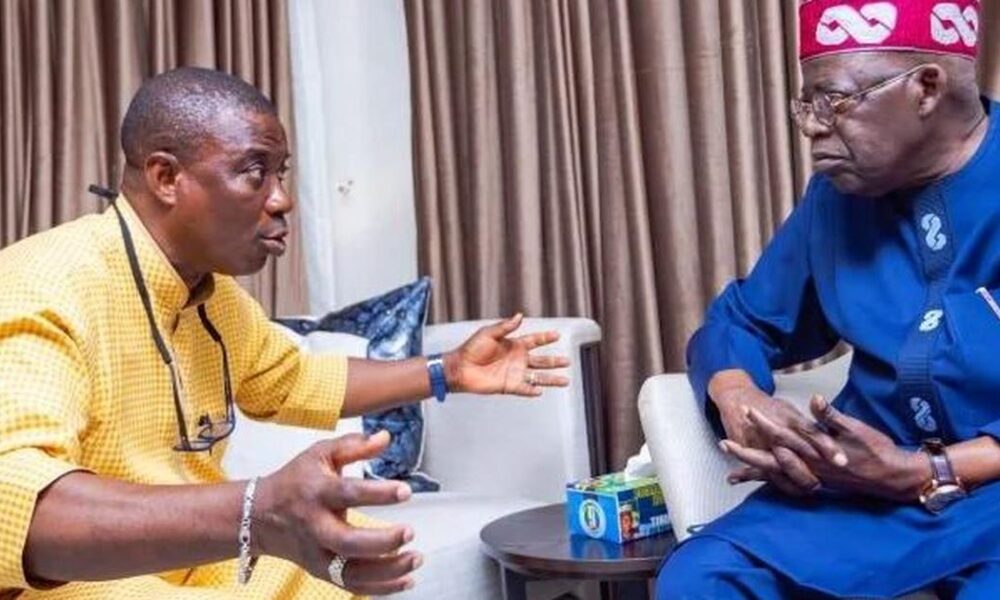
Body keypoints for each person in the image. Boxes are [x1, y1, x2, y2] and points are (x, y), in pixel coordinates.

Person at [0, 67, 571, 599]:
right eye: (255, 172)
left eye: (281, 173)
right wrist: (258, 509)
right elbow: (22, 510)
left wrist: (447, 371)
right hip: (69, 580)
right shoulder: (42, 283)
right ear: (166, 177)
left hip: (189, 563)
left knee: (348, 557)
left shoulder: (215, 296)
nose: (282, 199)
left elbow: (294, 380)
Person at [656, 0, 1000, 597]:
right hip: (866, 492)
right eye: (807, 105)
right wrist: (739, 395)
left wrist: (926, 470)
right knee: (701, 577)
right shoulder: (839, 197)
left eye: (834, 101)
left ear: (925, 88)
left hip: (988, 490)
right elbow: (741, 321)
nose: (813, 128)